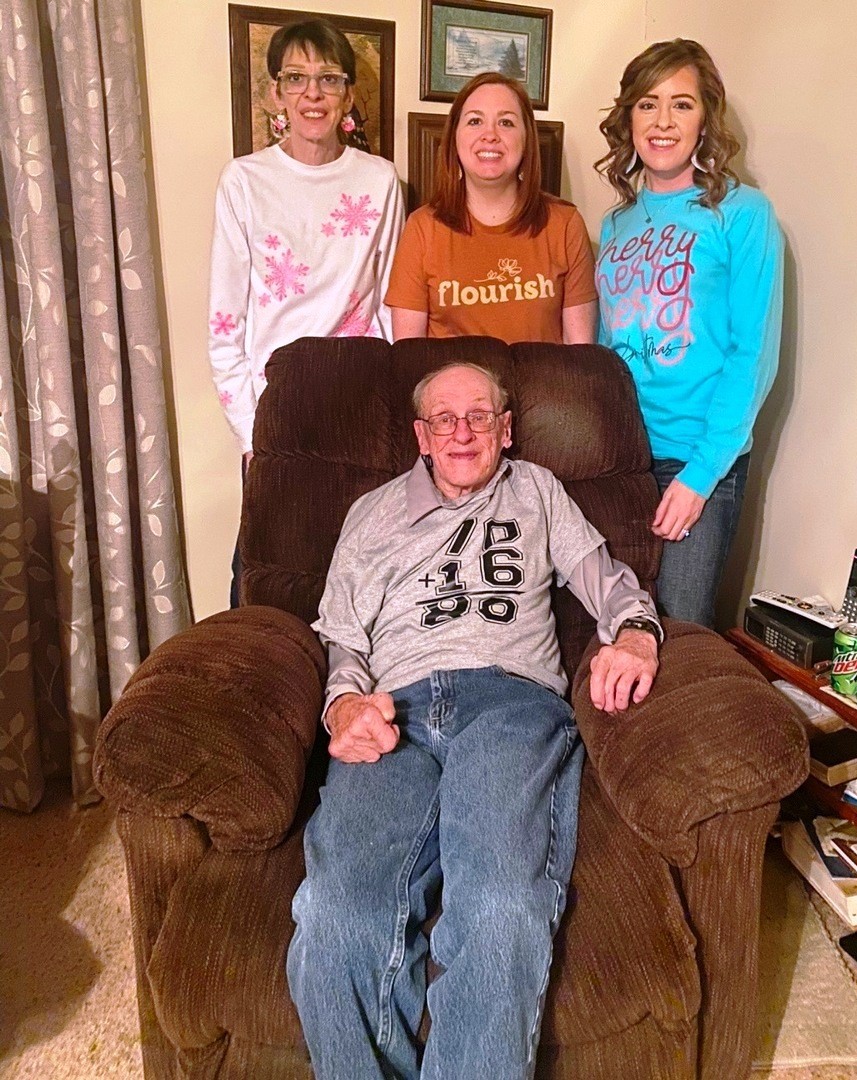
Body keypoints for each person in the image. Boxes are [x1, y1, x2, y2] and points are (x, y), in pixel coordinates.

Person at [286, 362, 662, 1078]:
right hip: (392, 710)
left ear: (505, 429)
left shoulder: (537, 491)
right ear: (421, 436)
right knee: (334, 914)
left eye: (479, 416)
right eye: (444, 419)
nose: (462, 432)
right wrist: (343, 706)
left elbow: (608, 584)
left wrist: (637, 634)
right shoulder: (370, 513)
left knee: (498, 904)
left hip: (509, 703)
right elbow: (344, 645)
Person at [207, 18, 404, 602]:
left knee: (360, 577)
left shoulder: (381, 180)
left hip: (357, 400)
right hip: (276, 409)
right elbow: (224, 326)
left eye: (328, 78)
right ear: (276, 93)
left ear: (348, 94)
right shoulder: (244, 181)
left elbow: (389, 303)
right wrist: (254, 433)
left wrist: (388, 409)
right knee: (264, 579)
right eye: (296, 78)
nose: (312, 93)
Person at [594, 39, 784, 628]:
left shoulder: (743, 213)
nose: (663, 122)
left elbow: (752, 355)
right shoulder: (616, 222)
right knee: (612, 626)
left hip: (697, 459)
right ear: (629, 118)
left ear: (705, 119)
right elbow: (604, 347)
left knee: (680, 633)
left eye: (682, 104)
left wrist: (700, 476)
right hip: (620, 455)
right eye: (647, 104)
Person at [386, 73, 597, 344]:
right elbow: (409, 355)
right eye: (475, 121)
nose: (490, 135)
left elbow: (578, 354)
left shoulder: (565, 225)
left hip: (543, 374)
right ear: (454, 138)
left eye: (506, 122)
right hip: (450, 374)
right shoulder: (422, 228)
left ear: (526, 140)